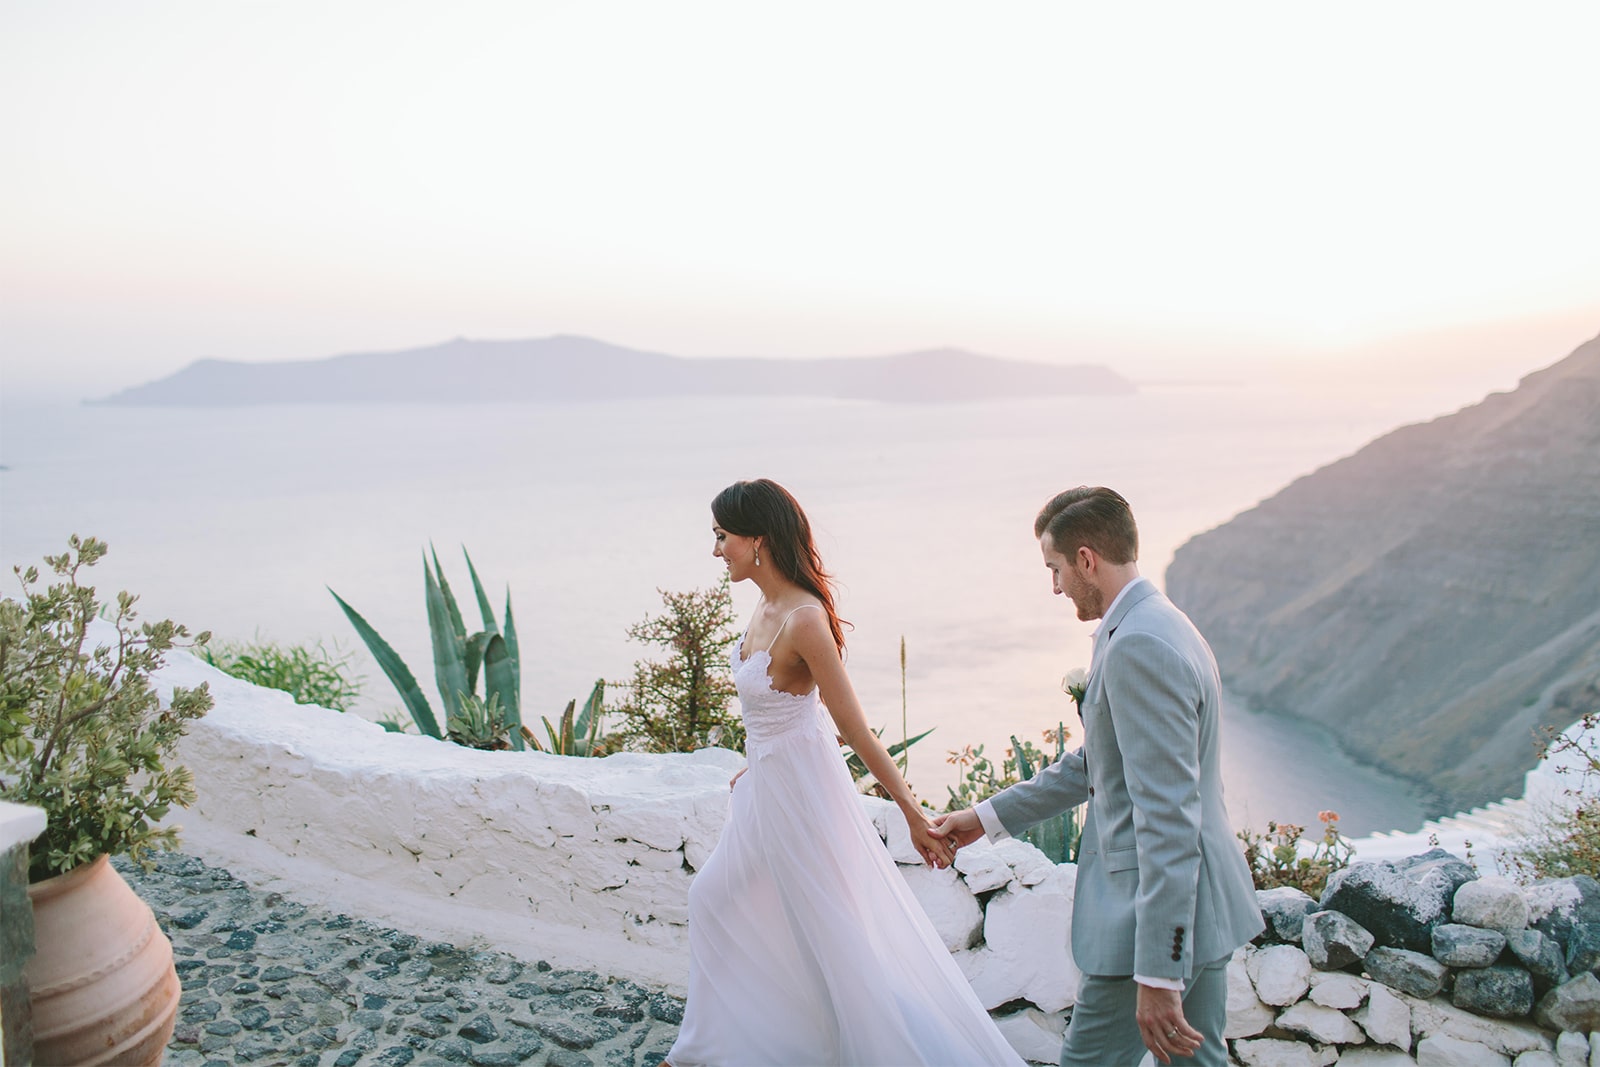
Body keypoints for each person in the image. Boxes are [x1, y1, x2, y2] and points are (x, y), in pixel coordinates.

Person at [666, 478, 1025, 1067]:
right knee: (713, 898)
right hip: (766, 790)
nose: (715, 550)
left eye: (721, 536)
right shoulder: (762, 605)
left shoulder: (803, 619)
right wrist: (754, 765)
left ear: (756, 538)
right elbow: (772, 714)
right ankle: (713, 1046)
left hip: (804, 800)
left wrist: (912, 814)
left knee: (832, 944)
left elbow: (855, 731)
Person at [932, 487, 1263, 1067]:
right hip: (1201, 908)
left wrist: (1158, 970)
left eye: (1055, 569)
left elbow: (1168, 818)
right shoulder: (1162, 621)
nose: (1054, 587)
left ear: (1087, 559)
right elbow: (1096, 765)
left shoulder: (1138, 644)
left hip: (1147, 921)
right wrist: (983, 818)